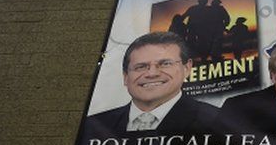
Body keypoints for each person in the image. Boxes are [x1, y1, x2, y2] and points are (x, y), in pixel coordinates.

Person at [82, 31, 220, 137]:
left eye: (165, 64)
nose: (152, 73)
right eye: (140, 67)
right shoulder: (92, 126)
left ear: (187, 68)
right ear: (125, 77)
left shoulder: (217, 121)